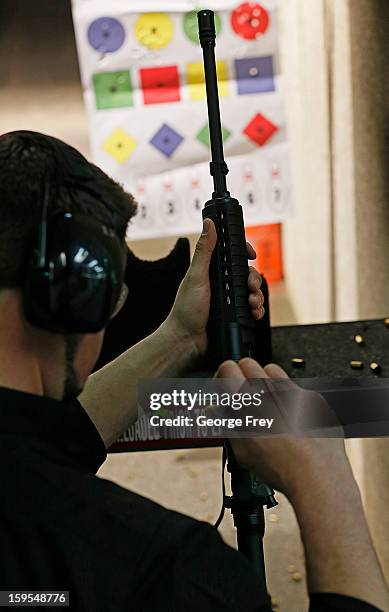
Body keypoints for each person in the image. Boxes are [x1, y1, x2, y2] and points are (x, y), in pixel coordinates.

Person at [0, 130, 387, 612]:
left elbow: (45, 444)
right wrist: (325, 485)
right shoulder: (163, 574)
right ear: (78, 293)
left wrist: (182, 336)